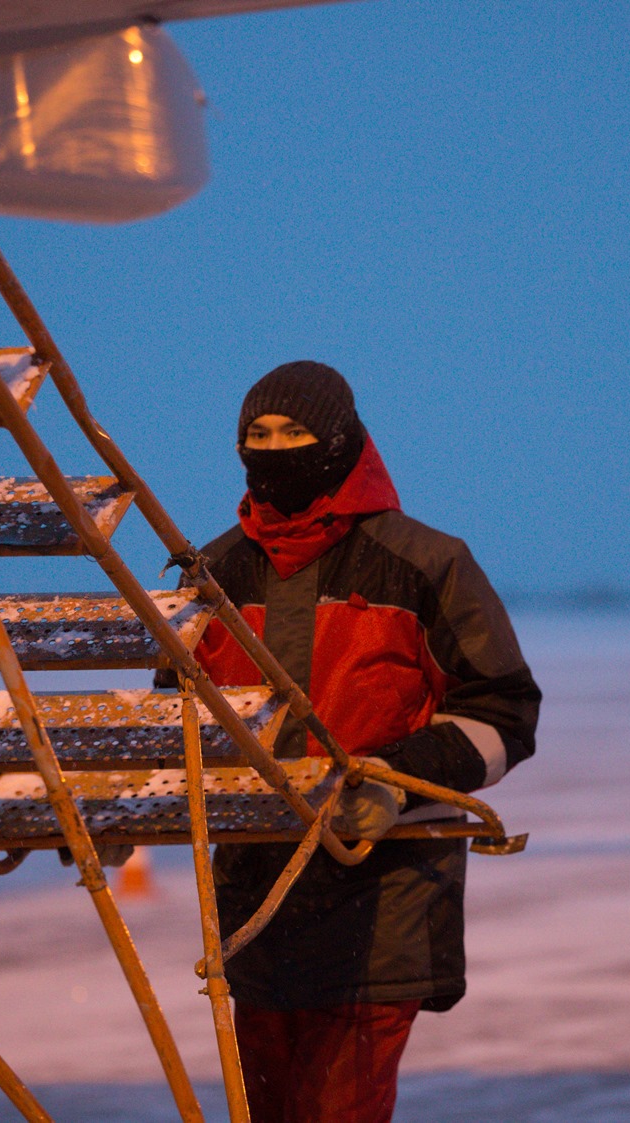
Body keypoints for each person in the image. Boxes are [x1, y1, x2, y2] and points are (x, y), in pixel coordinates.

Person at [181, 360, 539, 1123]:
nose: (275, 448)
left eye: (295, 432)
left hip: (382, 894)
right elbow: (173, 722)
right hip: (256, 896)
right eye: (258, 434)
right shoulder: (209, 574)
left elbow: (504, 712)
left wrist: (391, 778)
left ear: (340, 441)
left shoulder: (425, 564)